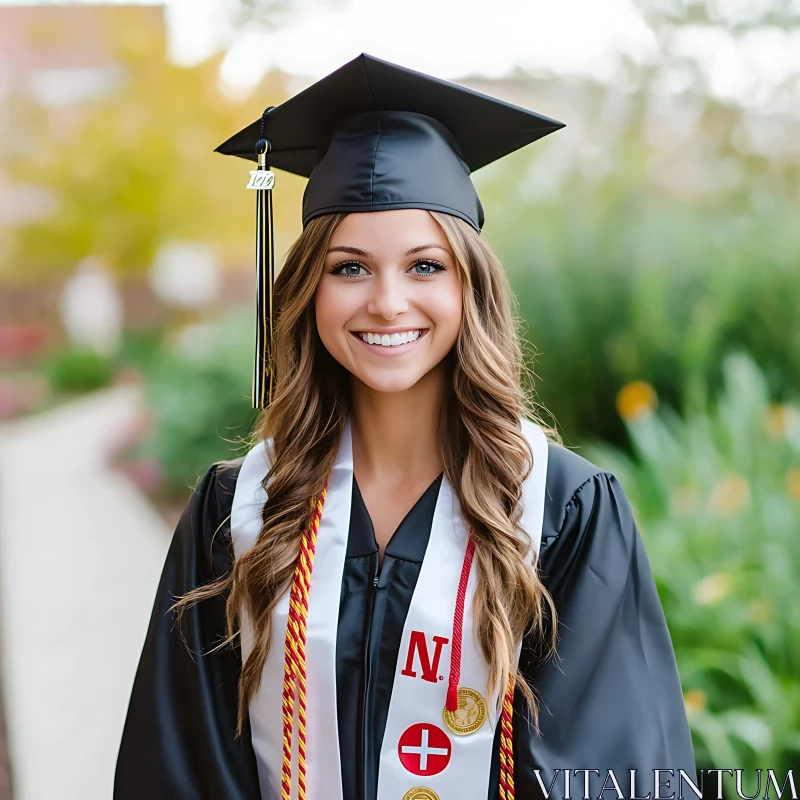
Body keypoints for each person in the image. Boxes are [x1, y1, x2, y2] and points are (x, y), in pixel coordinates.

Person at [114, 54, 696, 800]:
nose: (387, 303)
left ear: (470, 286)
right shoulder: (240, 510)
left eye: (425, 267)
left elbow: (610, 767)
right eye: (349, 268)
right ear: (306, 291)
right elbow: (181, 763)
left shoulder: (560, 510)